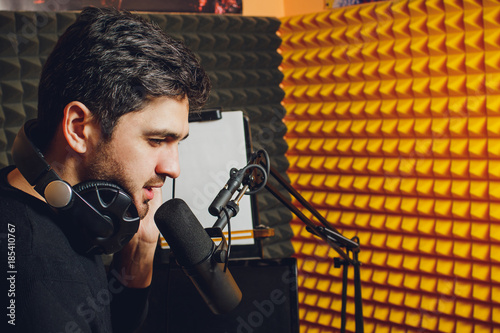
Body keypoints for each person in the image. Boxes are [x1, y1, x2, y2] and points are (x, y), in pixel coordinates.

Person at [0, 7, 210, 332]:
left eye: (177, 142)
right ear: (79, 128)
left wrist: (139, 253)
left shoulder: (77, 211)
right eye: (156, 139)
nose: (174, 168)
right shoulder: (33, 281)